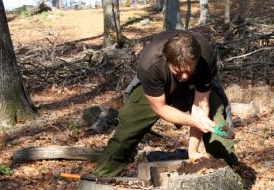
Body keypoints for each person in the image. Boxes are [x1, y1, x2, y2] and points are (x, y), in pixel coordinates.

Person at [94, 30, 238, 178]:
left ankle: (232, 178)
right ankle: (101, 179)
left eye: (189, 71)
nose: (184, 77)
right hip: (158, 87)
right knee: (127, 129)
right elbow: (160, 108)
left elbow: (200, 108)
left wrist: (193, 150)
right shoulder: (150, 65)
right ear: (167, 60)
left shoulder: (206, 58)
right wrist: (193, 121)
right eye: (178, 71)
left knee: (216, 127)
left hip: (194, 88)